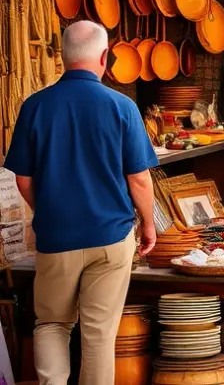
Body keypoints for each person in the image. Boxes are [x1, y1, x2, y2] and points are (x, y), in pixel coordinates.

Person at [6, 21, 158, 385]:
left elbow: (22, 178)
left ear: (63, 57)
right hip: (111, 237)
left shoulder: (35, 106)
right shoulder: (122, 106)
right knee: (99, 334)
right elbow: (138, 178)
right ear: (104, 56)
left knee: (53, 323)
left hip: (56, 238)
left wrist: (47, 211)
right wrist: (149, 225)